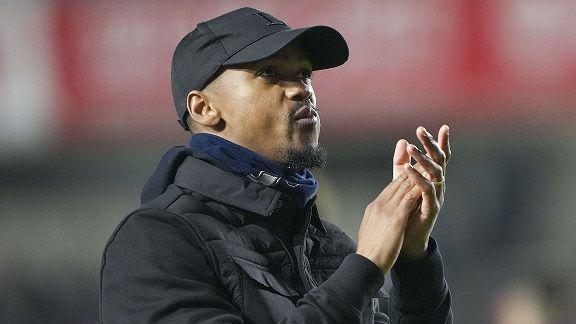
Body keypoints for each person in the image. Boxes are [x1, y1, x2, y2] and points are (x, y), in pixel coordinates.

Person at [100, 7, 453, 324]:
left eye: (303, 73)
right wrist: (365, 267)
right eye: (269, 72)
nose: (301, 90)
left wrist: (414, 258)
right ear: (204, 108)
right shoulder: (156, 242)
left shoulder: (332, 247)